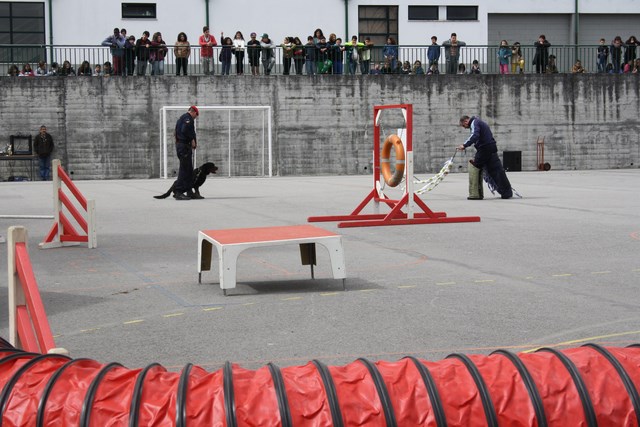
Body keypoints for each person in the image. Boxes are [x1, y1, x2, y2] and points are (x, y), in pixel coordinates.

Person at [457, 115, 512, 199]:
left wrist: (464, 145)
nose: (464, 128)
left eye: (464, 126)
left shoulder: (474, 122)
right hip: (491, 147)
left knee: (475, 167)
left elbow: (475, 135)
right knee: (497, 170)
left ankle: (475, 194)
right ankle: (506, 192)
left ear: (466, 121)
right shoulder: (479, 122)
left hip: (484, 149)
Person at [173, 106, 199, 200]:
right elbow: (185, 130)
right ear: (194, 112)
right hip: (184, 146)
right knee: (184, 170)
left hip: (181, 146)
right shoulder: (188, 118)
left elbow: (175, 132)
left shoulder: (181, 119)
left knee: (188, 170)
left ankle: (189, 191)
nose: (195, 118)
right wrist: (192, 139)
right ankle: (179, 192)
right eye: (196, 116)